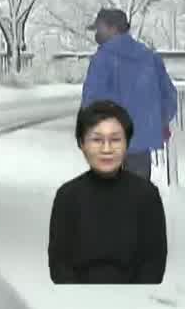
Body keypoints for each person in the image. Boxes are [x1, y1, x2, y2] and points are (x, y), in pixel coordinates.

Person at [49, 100, 167, 284]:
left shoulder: (147, 195)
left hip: (135, 298)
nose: (106, 149)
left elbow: (154, 262)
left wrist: (132, 296)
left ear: (127, 143)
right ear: (82, 143)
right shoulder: (67, 197)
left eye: (115, 140)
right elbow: (59, 263)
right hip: (77, 298)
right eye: (97, 140)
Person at [81, 8, 178, 180]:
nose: (97, 33)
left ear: (113, 28)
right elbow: (169, 98)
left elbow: (91, 102)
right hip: (140, 145)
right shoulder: (150, 58)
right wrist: (157, 123)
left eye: (100, 28)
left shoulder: (102, 60)